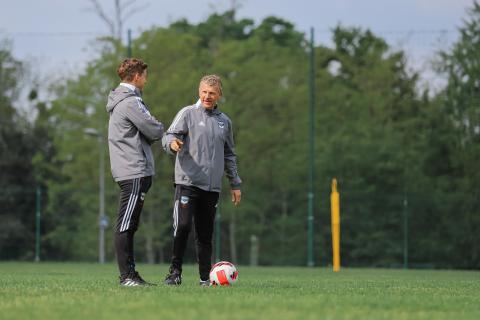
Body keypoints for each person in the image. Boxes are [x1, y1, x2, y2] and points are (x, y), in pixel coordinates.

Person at [162, 74, 242, 286]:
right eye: (204, 92)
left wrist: (235, 183)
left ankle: (205, 278)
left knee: (205, 235)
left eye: (212, 93)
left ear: (219, 95)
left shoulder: (225, 122)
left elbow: (230, 155)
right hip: (187, 182)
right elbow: (168, 136)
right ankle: (174, 272)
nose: (207, 96)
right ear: (199, 92)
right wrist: (172, 144)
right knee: (183, 226)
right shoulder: (187, 113)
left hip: (212, 187)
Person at [106, 58, 164, 286]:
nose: (146, 80)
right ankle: (127, 276)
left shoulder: (123, 100)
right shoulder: (131, 102)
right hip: (134, 171)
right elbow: (154, 129)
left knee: (130, 223)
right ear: (137, 76)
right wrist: (156, 126)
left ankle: (130, 274)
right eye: (145, 75)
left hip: (130, 171)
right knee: (125, 224)